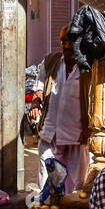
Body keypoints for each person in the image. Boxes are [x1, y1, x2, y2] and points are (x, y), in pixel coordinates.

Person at [36, 25, 90, 194]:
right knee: (47, 177)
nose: (66, 46)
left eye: (71, 41)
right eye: (63, 41)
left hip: (76, 134)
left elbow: (95, 99)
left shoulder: (88, 68)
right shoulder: (51, 61)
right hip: (50, 132)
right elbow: (39, 87)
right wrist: (36, 103)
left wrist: (89, 128)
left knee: (76, 182)